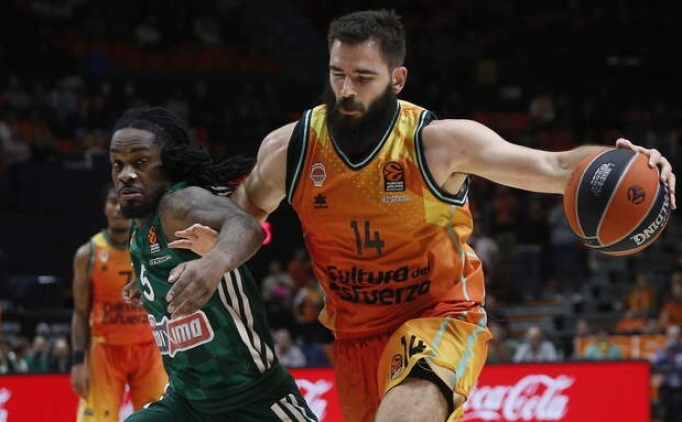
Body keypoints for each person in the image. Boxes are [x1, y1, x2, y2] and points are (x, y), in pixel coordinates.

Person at [164, 9, 677, 422]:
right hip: (354, 338)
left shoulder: (438, 144)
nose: (346, 90)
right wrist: (208, 256)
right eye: (337, 74)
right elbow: (244, 216)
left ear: (397, 79)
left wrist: (630, 164)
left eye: (363, 77)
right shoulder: (291, 149)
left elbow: (556, 166)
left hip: (440, 316)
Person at [108, 106, 317, 422]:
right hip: (185, 404)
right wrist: (146, 278)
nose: (126, 174)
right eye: (117, 164)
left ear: (168, 166)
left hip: (252, 400)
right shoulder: (141, 228)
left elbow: (247, 226)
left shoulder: (178, 204)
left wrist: (214, 263)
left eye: (140, 162)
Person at [70, 185, 167, 421]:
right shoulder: (88, 254)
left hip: (149, 348)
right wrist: (77, 362)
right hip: (105, 352)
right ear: (105, 207)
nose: (117, 208)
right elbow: (80, 312)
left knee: (160, 417)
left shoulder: (149, 246)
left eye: (122, 202)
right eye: (112, 201)